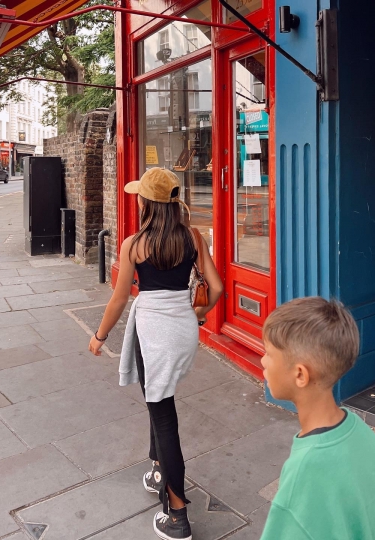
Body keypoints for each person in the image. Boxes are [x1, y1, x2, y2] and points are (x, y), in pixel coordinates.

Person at [89, 167, 223, 540]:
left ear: (146, 202)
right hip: (181, 332)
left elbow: (119, 298)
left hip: (152, 334)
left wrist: (100, 336)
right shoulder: (193, 237)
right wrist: (198, 313)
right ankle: (157, 468)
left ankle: (178, 515)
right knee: (157, 398)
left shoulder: (134, 244)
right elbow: (216, 288)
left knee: (164, 416)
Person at [260, 297, 375, 540]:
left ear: (300, 375)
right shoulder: (361, 431)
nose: (263, 360)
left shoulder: (304, 473)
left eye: (269, 353)